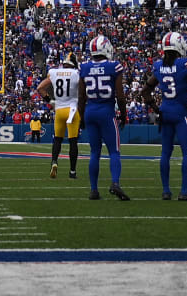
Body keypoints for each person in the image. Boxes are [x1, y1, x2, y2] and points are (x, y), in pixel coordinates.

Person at [145, 31, 187, 201]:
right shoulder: (184, 64)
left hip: (165, 112)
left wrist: (156, 109)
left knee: (165, 153)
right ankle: (184, 191)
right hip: (180, 114)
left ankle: (166, 191)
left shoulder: (158, 66)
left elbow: (145, 90)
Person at [79, 35, 130, 201]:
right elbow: (120, 96)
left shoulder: (84, 67)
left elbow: (81, 97)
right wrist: (123, 114)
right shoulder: (114, 66)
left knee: (95, 152)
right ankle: (115, 182)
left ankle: (94, 190)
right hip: (106, 111)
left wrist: (80, 117)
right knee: (114, 151)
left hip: (90, 111)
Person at [37, 53, 82, 179]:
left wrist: (50, 101)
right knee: (73, 141)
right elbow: (83, 91)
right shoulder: (76, 73)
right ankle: (72, 172)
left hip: (59, 109)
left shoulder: (54, 72)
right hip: (72, 110)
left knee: (57, 139)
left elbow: (40, 88)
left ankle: (54, 162)